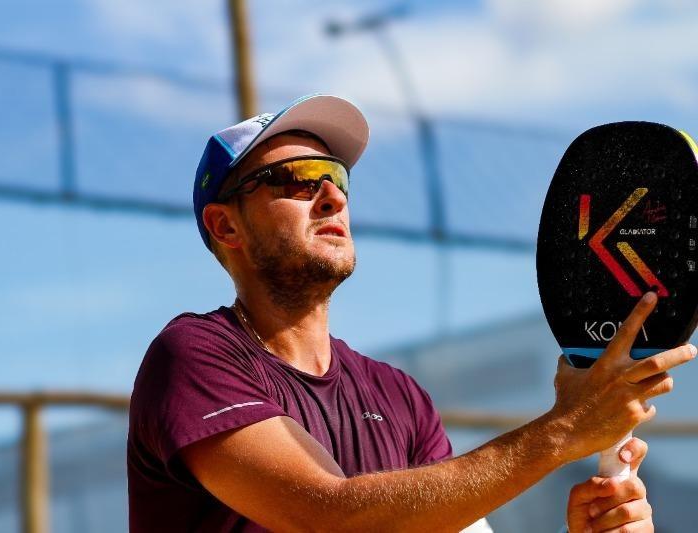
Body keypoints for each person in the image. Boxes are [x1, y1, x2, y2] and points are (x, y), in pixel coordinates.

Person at [127, 94, 693, 532]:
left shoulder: (397, 395)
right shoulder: (194, 356)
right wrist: (566, 429)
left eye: (337, 177)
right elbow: (329, 518)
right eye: (295, 180)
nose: (332, 197)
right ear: (226, 226)